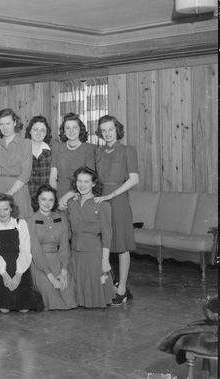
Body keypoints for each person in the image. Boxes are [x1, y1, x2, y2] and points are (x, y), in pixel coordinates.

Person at [95, 115, 139, 305]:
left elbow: (134, 179)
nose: (107, 133)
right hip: (100, 199)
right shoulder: (98, 152)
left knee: (121, 245)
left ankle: (122, 289)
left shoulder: (128, 150)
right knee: (103, 243)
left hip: (118, 200)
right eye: (103, 130)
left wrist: (111, 196)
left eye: (110, 129)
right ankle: (110, 285)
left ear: (117, 129)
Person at [67, 167, 116, 308]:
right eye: (79, 181)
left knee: (94, 301)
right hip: (75, 252)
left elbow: (107, 234)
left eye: (86, 182)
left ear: (94, 184)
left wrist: (105, 261)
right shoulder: (72, 203)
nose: (82, 185)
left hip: (93, 253)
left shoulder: (102, 205)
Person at [0, 193, 43, 313]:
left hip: (20, 268)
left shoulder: (20, 224)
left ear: (11, 208)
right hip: (1, 270)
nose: (2, 213)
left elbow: (25, 251)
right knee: (4, 310)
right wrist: (4, 275)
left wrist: (18, 275)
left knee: (24, 310)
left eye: (6, 209)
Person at [27, 185, 77, 310]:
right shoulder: (31, 221)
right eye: (43, 199)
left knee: (69, 295)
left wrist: (64, 270)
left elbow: (65, 245)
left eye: (51, 200)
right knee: (51, 291)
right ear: (37, 200)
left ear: (55, 201)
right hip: (40, 264)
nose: (47, 203)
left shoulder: (61, 217)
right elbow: (35, 250)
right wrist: (50, 276)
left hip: (59, 260)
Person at [0, 108, 33, 219]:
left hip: (18, 190)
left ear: (15, 123)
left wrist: (10, 193)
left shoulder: (26, 143)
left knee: (20, 228)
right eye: (1, 124)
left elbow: (26, 173)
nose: (5, 127)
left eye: (8, 123)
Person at [49, 113, 95, 208]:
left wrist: (65, 198)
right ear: (64, 131)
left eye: (75, 127)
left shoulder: (89, 149)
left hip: (80, 194)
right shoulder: (57, 147)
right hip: (58, 194)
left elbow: (88, 178)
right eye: (67, 128)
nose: (71, 131)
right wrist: (54, 199)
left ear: (80, 129)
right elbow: (53, 177)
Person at [25, 115, 53, 200]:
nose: (38, 133)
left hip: (44, 199)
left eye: (42, 130)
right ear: (30, 131)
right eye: (35, 129)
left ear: (46, 133)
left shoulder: (51, 152)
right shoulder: (21, 150)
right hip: (25, 197)